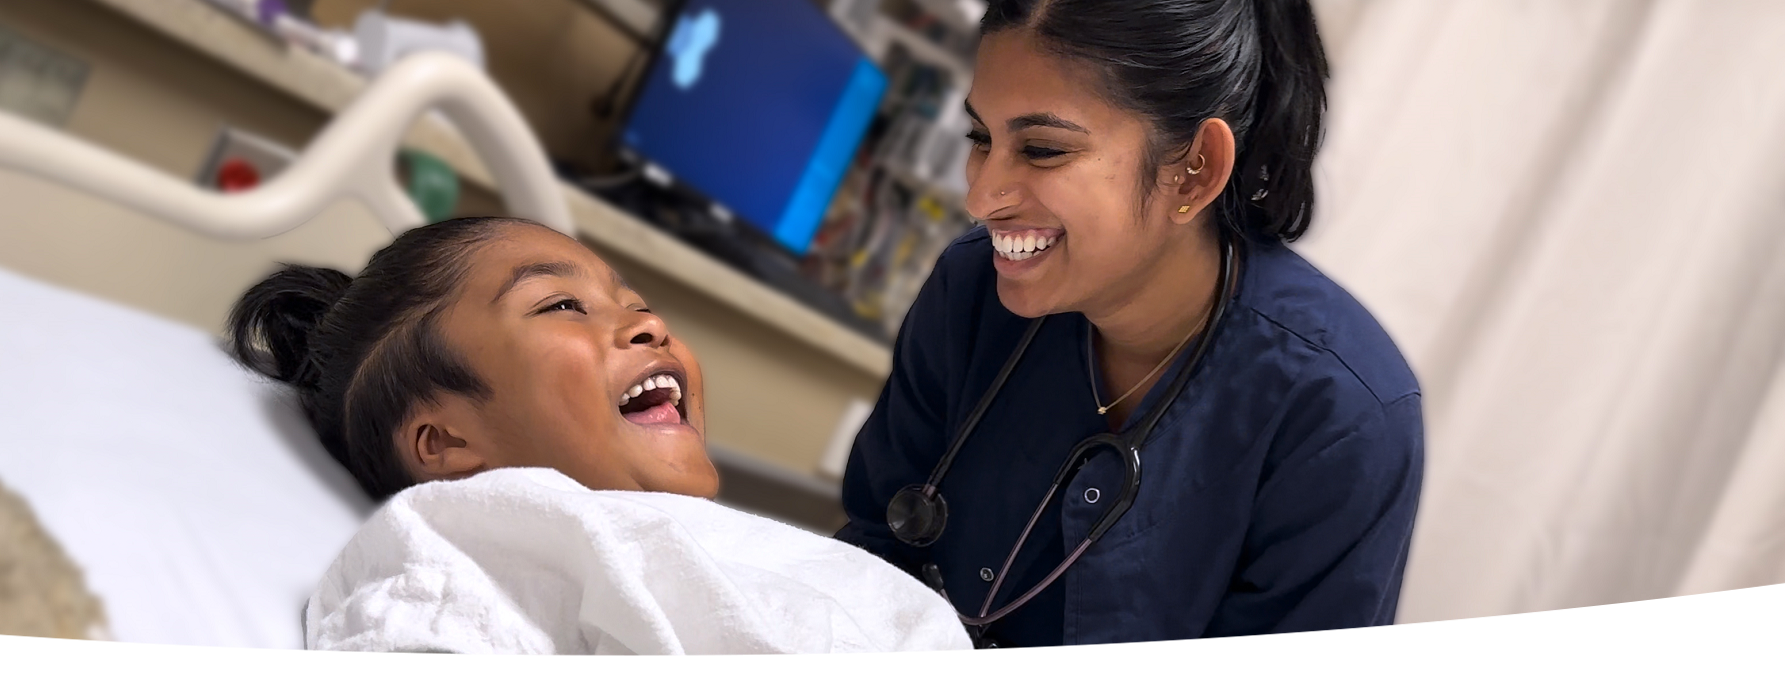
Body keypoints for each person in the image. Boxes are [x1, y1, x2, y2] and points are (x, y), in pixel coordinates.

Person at [836, 0, 1424, 652]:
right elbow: (866, 563)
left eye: (1041, 149)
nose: (980, 197)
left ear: (1194, 169)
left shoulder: (1340, 416)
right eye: (981, 138)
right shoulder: (971, 292)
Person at [229, 217, 969, 654]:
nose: (650, 323)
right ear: (444, 442)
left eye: (634, 303)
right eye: (560, 306)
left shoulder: (735, 557)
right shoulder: (463, 567)